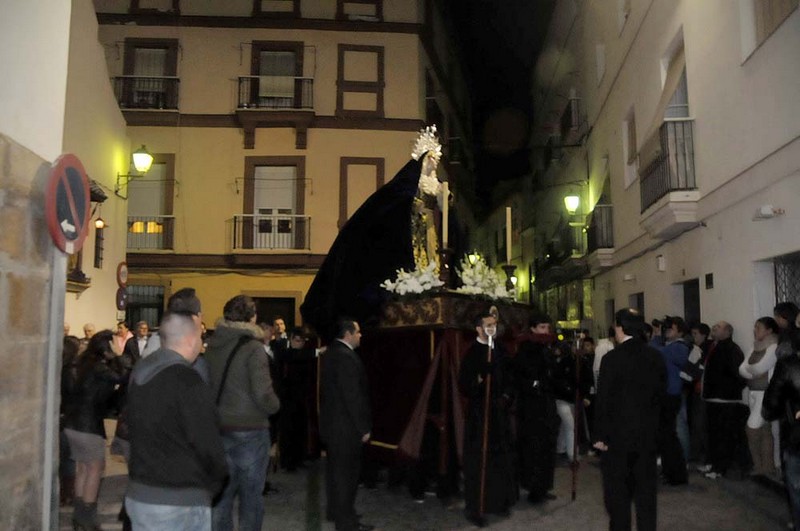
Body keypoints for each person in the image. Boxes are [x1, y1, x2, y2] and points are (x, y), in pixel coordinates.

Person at [125, 312, 228, 530]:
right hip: (179, 500)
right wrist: (215, 482)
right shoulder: (187, 381)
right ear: (191, 339)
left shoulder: (141, 372)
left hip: (141, 493)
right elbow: (208, 444)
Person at [206, 295, 280, 531]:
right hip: (250, 430)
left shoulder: (213, 346)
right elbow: (263, 394)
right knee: (251, 498)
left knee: (222, 497)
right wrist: (276, 405)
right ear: (251, 317)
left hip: (219, 428)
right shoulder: (253, 348)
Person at [594, 308, 666, 531]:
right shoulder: (655, 356)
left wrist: (599, 435)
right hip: (647, 436)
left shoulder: (612, 358)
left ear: (620, 327)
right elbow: (660, 397)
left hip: (619, 437)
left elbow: (604, 399)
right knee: (646, 493)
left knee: (618, 494)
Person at [62, 330, 132, 530]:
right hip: (88, 425)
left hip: (74, 423)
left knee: (82, 468)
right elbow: (123, 377)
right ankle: (87, 517)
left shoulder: (85, 364)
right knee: (95, 468)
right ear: (107, 347)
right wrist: (119, 355)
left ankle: (79, 515)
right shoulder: (101, 369)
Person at [458, 312, 517, 527]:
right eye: (488, 325)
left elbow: (511, 377)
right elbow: (465, 385)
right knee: (479, 460)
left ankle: (499, 500)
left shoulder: (500, 350)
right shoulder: (472, 352)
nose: (493, 327)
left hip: (499, 412)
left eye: (494, 324)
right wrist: (481, 379)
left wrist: (507, 396)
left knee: (500, 458)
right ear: (478, 329)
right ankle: (477, 507)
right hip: (480, 414)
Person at [319, 318, 374, 531]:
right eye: (358, 332)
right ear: (348, 333)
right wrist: (363, 428)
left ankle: (337, 511)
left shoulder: (333, 353)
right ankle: (346, 521)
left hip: (334, 427)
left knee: (336, 474)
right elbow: (353, 397)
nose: (361, 335)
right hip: (345, 429)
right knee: (346, 477)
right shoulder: (345, 357)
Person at [514, 314, 558, 504]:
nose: (546, 331)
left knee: (547, 446)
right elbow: (522, 375)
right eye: (542, 327)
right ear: (533, 329)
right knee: (534, 447)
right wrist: (535, 384)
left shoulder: (546, 348)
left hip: (546, 404)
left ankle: (543, 485)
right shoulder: (526, 349)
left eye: (547, 327)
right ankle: (534, 487)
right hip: (532, 408)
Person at [762, 332, 800, 530]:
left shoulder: (788, 364)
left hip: (796, 434)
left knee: (796, 483)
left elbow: (772, 402)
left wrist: (773, 412)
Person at [701, 321, 747, 479]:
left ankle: (720, 468)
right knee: (713, 433)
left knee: (723, 436)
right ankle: (713, 463)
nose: (714, 329)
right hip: (713, 398)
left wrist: (728, 390)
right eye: (713, 327)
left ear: (728, 332)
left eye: (718, 327)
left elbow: (739, 374)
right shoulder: (714, 347)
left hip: (725, 399)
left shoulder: (731, 350)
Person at [649, 316, 689, 485]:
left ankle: (677, 473)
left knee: (669, 436)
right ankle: (669, 471)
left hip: (671, 395)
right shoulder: (669, 346)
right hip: (665, 395)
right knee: (665, 436)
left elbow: (655, 351)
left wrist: (657, 337)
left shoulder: (679, 348)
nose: (667, 331)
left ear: (679, 330)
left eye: (670, 328)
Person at [739, 316, 779, 476]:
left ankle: (761, 464)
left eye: (759, 327)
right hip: (753, 391)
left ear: (769, 330)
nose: (755, 330)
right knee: (764, 430)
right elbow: (742, 368)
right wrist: (751, 372)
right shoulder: (755, 346)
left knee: (752, 428)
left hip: (766, 392)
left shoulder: (774, 346)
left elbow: (760, 367)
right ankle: (765, 466)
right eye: (755, 327)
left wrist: (751, 371)